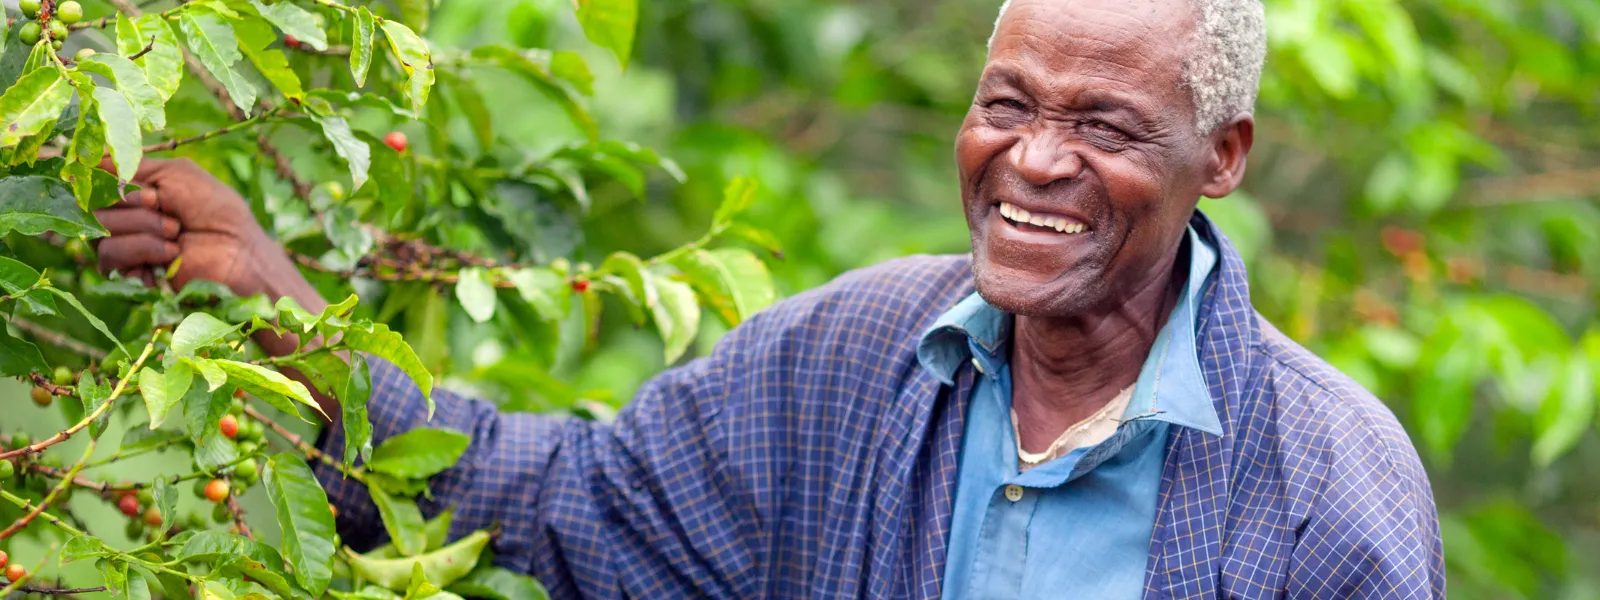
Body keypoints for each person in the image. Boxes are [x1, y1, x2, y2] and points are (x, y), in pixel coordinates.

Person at [93, 0, 1445, 597]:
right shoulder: (851, 363)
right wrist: (290, 317)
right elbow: (567, 510)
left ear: (1221, 157)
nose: (1036, 161)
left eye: (1105, 124)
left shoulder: (1325, 485)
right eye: (1007, 105)